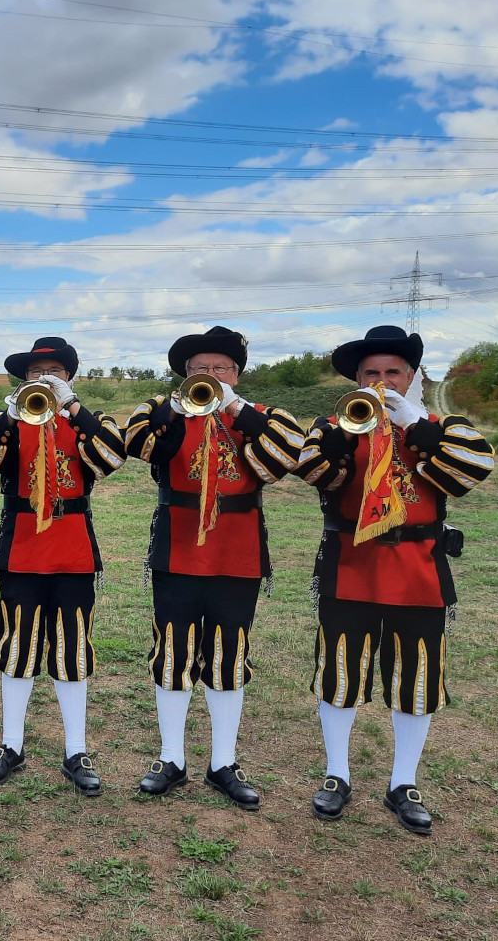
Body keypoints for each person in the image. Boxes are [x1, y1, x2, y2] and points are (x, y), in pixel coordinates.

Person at [294, 325, 493, 835]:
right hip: (351, 565)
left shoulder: (445, 425)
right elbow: (313, 470)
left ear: (411, 377)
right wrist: (348, 430)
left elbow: (471, 472)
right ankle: (337, 774)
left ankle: (403, 782)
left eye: (392, 374)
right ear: (358, 380)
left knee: (416, 680)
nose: (382, 383)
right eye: (371, 375)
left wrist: (417, 425)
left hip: (420, 569)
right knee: (340, 674)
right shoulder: (332, 424)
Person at [123, 326, 304, 810]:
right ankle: (171, 758)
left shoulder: (264, 416)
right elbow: (138, 446)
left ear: (237, 374)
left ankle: (223, 761)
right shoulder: (160, 411)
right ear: (185, 375)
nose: (210, 376)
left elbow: (286, 459)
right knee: (173, 652)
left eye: (219, 369)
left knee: (228, 655)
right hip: (177, 550)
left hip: (237, 553)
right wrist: (175, 413)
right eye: (199, 370)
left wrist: (236, 411)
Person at [0, 337, 127, 797]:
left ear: (69, 376)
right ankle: (10, 745)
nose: (45, 379)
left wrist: (73, 406)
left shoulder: (90, 422)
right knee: (17, 646)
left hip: (73, 550)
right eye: (37, 372)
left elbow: (113, 457)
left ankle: (76, 750)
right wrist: (11, 414)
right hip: (20, 549)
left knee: (72, 650)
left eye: (55, 371)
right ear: (24, 378)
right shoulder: (7, 420)